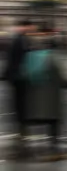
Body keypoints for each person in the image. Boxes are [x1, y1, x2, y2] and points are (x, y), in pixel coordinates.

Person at [22, 27, 67, 161]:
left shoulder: (34, 56)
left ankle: (38, 148)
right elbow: (62, 79)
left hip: (36, 96)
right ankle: (54, 150)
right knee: (55, 123)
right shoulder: (54, 57)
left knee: (45, 123)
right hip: (51, 97)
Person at [1, 19, 35, 158]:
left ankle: (20, 129)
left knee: (18, 105)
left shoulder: (18, 39)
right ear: (25, 27)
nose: (32, 29)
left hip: (15, 78)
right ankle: (21, 130)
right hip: (19, 79)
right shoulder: (21, 40)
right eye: (31, 26)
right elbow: (21, 60)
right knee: (20, 105)